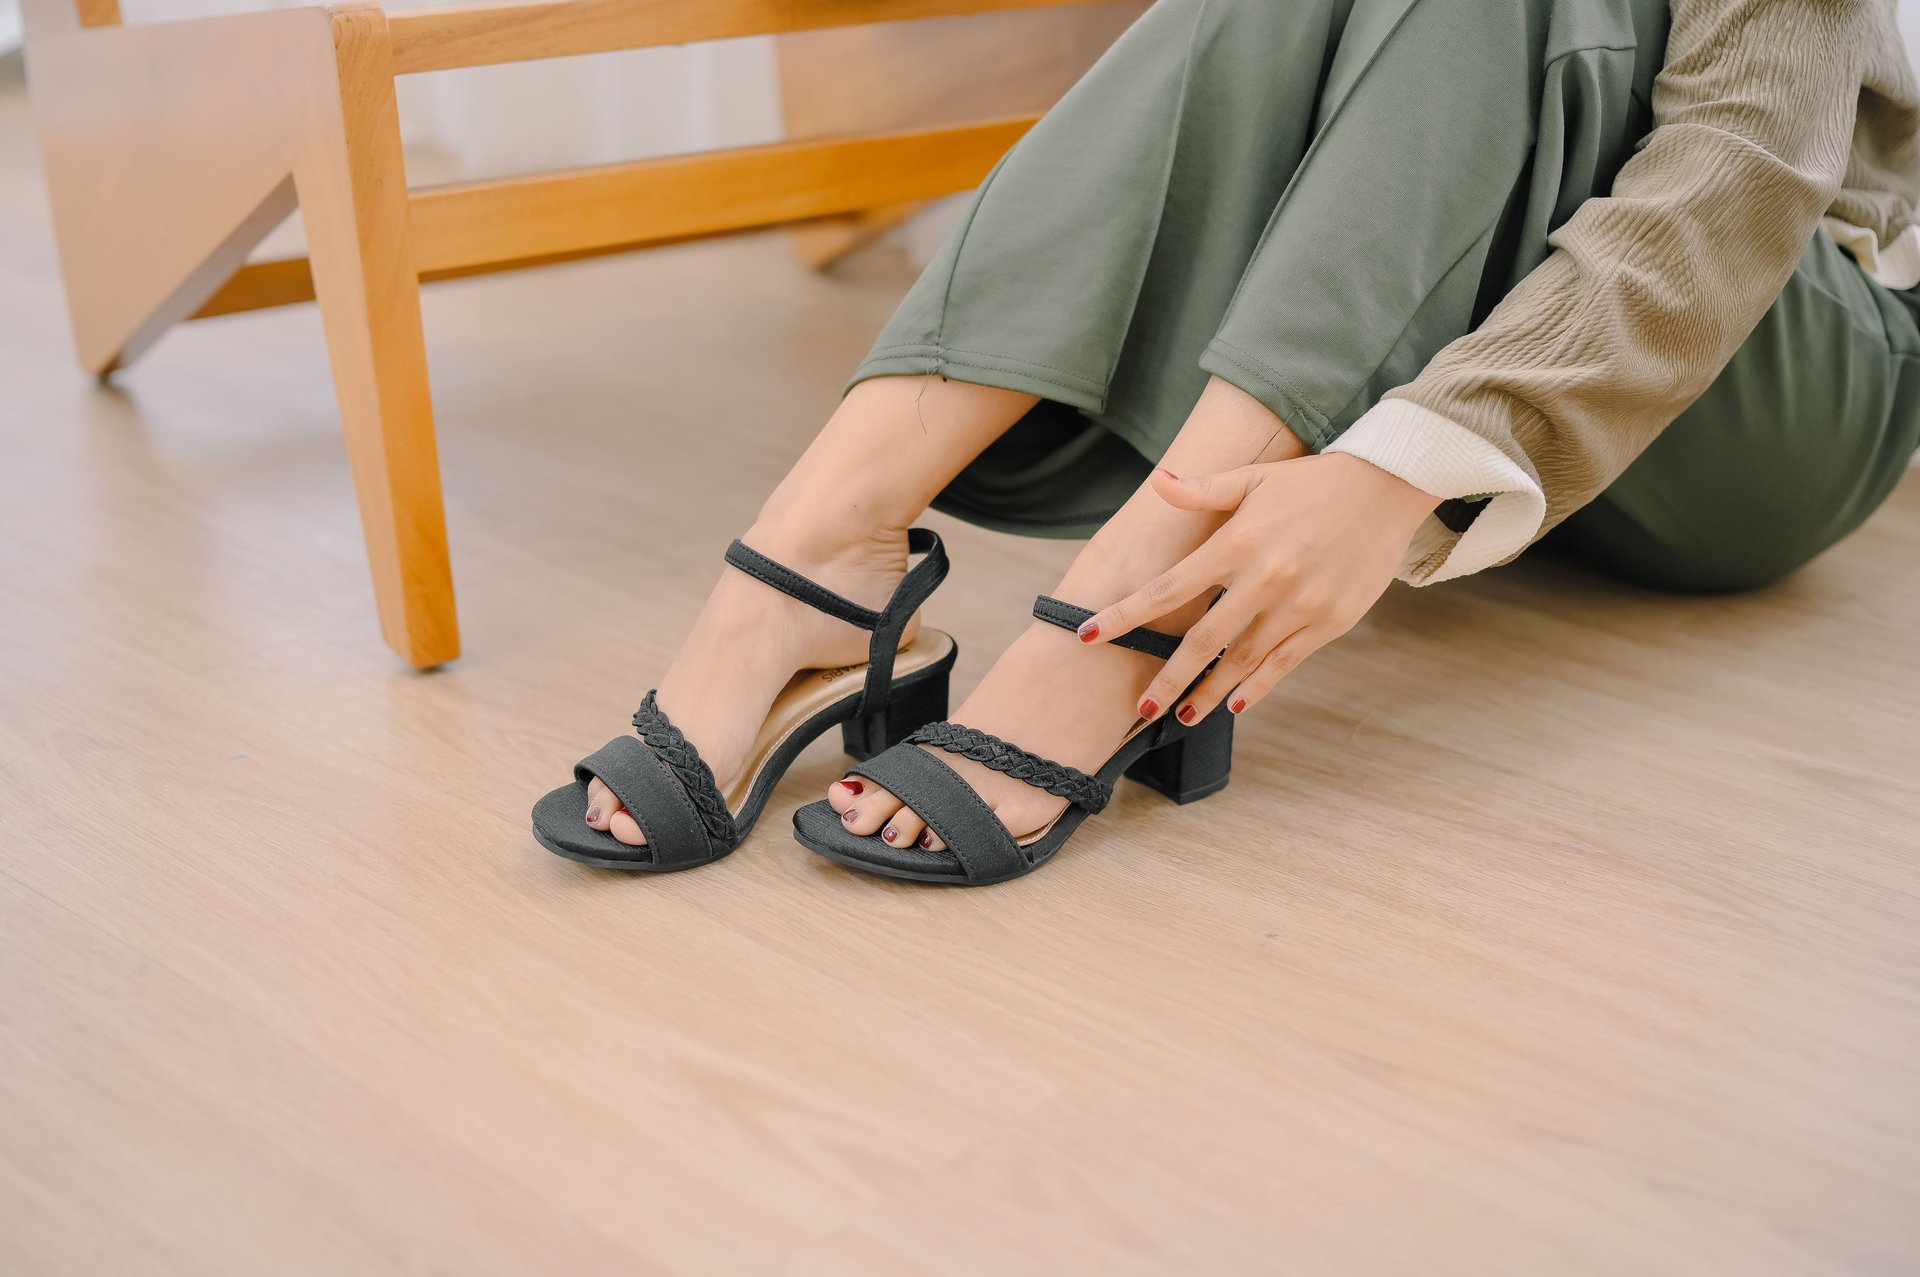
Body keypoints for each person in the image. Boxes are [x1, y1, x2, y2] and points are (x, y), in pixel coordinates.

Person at [532, 0, 1920, 885]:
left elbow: (1742, 173)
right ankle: (823, 541)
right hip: (1490, 302)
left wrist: (1399, 472)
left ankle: (1148, 584)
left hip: (1775, 368)